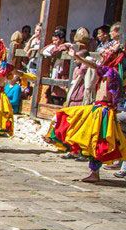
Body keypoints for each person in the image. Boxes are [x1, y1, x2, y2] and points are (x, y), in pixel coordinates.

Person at [47, 46, 125, 182]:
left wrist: (76, 56)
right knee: (94, 140)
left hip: (102, 111)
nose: (104, 52)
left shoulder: (110, 72)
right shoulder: (113, 73)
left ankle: (94, 173)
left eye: (108, 51)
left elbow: (93, 65)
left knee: (95, 140)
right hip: (101, 109)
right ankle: (93, 172)